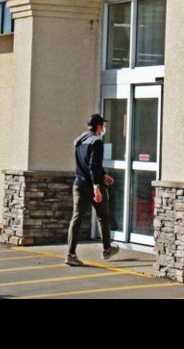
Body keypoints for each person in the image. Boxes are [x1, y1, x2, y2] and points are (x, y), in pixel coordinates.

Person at [66, 113, 118, 266]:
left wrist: (103, 176)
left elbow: (87, 164)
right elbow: (93, 166)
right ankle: (107, 249)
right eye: (103, 126)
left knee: (76, 218)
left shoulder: (79, 141)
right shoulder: (97, 142)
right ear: (99, 127)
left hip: (79, 184)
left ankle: (70, 254)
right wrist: (97, 186)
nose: (104, 129)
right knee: (103, 216)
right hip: (92, 186)